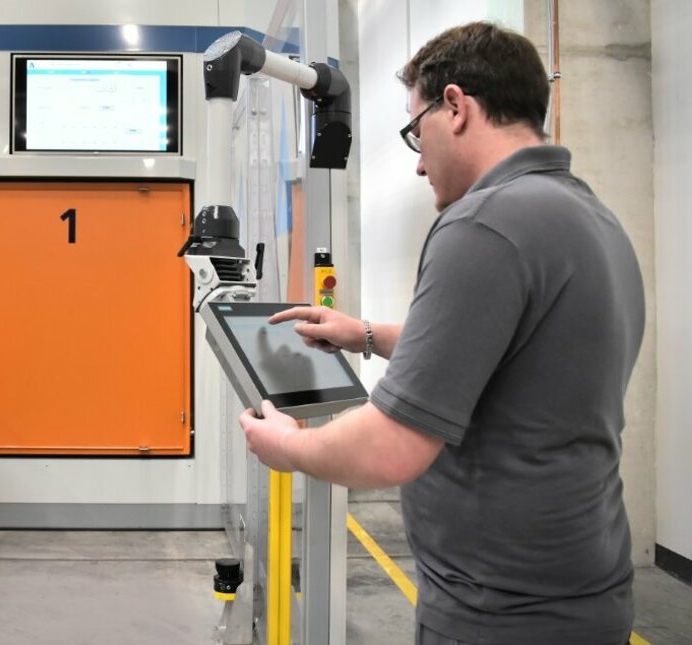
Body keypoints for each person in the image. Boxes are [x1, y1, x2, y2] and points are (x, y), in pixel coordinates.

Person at [238, 21, 644, 645]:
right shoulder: (590, 217)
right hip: (583, 593)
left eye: (414, 130)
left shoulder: (484, 223)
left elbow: (389, 449)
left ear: (455, 107)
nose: (420, 160)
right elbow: (513, 355)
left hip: (500, 613)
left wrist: (285, 447)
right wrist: (364, 334)